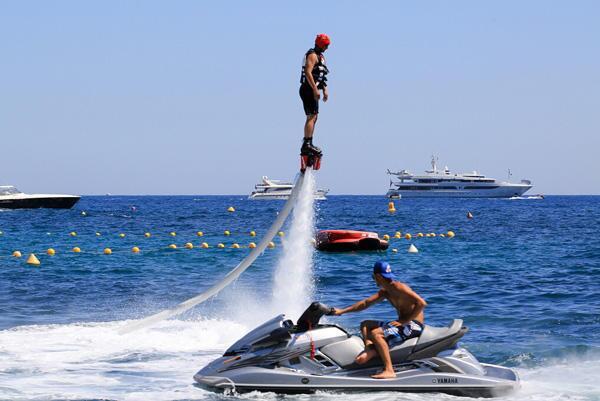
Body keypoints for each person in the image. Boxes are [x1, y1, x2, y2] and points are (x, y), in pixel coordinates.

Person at [332, 261, 427, 379]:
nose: (373, 279)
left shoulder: (399, 287)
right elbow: (365, 303)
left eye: (373, 277)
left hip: (413, 325)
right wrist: (341, 311)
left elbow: (421, 303)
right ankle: (370, 349)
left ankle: (389, 370)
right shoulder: (386, 291)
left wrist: (404, 321)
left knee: (376, 333)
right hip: (403, 323)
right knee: (365, 324)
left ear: (378, 276)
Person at [300, 33, 330, 156]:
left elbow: (320, 74)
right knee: (311, 116)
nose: (327, 48)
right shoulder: (312, 55)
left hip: (312, 89)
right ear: (321, 44)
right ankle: (306, 144)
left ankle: (309, 141)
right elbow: (308, 72)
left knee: (314, 116)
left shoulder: (320, 57)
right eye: (326, 45)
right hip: (308, 89)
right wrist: (314, 89)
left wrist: (324, 89)